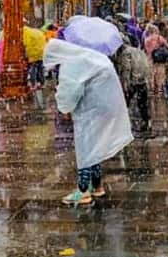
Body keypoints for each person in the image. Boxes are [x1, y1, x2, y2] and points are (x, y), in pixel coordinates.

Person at [44, 39, 133, 205]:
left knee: (85, 150)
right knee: (94, 147)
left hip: (90, 111)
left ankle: (83, 190)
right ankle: (97, 186)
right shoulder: (89, 57)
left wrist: (64, 107)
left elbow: (70, 91)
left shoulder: (72, 63)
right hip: (105, 107)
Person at [113, 35, 152, 136]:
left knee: (125, 103)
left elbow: (127, 68)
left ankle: (121, 124)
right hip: (142, 80)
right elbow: (146, 64)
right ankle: (146, 122)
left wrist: (126, 83)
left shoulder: (125, 53)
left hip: (133, 82)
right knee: (142, 103)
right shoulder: (138, 50)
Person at [143, 24, 168, 95]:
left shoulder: (147, 39)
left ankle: (152, 89)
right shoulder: (159, 37)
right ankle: (160, 89)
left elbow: (146, 49)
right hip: (159, 58)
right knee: (160, 73)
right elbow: (167, 45)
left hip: (150, 58)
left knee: (151, 74)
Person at [23, 25, 47, 90]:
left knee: (33, 69)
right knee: (40, 68)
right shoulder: (36, 32)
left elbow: (25, 43)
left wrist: (25, 54)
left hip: (33, 52)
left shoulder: (25, 33)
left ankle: (33, 84)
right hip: (41, 52)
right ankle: (42, 83)